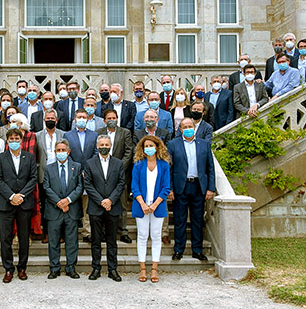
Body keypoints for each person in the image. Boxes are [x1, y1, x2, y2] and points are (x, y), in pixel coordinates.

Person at [168, 118, 215, 262]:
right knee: (180, 219)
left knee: (197, 220)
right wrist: (170, 189)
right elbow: (169, 168)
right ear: (180, 129)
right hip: (180, 186)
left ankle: (197, 250)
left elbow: (210, 168)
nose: (188, 128)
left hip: (198, 186)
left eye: (190, 126)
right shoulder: (173, 144)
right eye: (184, 127)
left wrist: (210, 188)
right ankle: (178, 250)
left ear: (194, 127)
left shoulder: (204, 144)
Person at [0, 128, 38, 283]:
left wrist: (21, 196)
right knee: (5, 237)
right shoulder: (0, 158)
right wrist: (12, 196)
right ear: (7, 141)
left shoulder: (29, 157)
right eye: (11, 139)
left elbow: (33, 178)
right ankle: (8, 269)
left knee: (24, 237)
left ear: (21, 140)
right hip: (6, 202)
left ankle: (22, 267)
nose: (14, 141)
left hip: (24, 203)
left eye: (16, 139)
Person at [84, 135, 126, 282]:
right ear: (97, 146)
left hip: (113, 207)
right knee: (95, 240)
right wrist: (101, 201)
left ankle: (112, 269)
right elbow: (88, 184)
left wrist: (110, 200)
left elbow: (121, 183)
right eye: (101, 144)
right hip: (96, 207)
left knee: (112, 241)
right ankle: (96, 268)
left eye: (106, 144)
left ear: (111, 146)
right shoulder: (89, 163)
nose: (104, 147)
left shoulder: (118, 163)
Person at [131, 135, 171, 283]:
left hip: (157, 206)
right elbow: (134, 186)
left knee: (155, 236)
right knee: (141, 236)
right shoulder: (138, 164)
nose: (148, 148)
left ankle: (154, 269)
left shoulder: (164, 165)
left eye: (151, 145)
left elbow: (166, 187)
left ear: (157, 146)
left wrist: (154, 205)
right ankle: (142, 268)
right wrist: (143, 204)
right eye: (146, 146)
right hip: (141, 205)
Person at [43, 139, 83, 279]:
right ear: (55, 152)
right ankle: (54, 268)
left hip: (71, 210)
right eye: (58, 150)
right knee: (53, 242)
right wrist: (59, 202)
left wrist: (68, 200)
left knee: (71, 241)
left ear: (68, 151)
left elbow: (79, 187)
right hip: (54, 210)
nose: (61, 153)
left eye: (63, 150)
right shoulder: (49, 168)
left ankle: (71, 268)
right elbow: (46, 187)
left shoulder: (77, 167)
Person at [97, 109, 133, 244]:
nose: (112, 120)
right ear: (105, 120)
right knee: (105, 202)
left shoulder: (125, 132)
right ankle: (105, 232)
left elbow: (129, 151)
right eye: (109, 118)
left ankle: (123, 231)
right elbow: (96, 150)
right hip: (103, 174)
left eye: (114, 117)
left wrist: (118, 167)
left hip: (120, 174)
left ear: (117, 119)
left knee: (122, 204)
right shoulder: (99, 133)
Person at [64, 109, 98, 243]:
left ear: (88, 119)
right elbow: (67, 153)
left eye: (84, 117)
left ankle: (87, 232)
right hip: (73, 173)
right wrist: (77, 169)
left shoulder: (94, 135)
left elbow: (96, 153)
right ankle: (70, 232)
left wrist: (87, 170)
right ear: (74, 119)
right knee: (73, 203)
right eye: (79, 117)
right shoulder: (68, 135)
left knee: (87, 204)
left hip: (89, 174)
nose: (82, 119)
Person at [8, 113, 42, 239]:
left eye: (14, 121)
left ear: (21, 123)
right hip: (12, 178)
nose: (11, 124)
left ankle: (28, 234)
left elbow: (31, 156)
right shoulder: (10, 138)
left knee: (28, 207)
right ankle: (15, 234)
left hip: (27, 177)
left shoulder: (31, 136)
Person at [35, 109, 65, 243]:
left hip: (60, 174)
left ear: (57, 120)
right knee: (46, 205)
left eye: (52, 118)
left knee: (60, 203)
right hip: (43, 174)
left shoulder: (63, 135)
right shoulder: (37, 136)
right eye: (48, 119)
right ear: (44, 120)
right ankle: (46, 232)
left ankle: (61, 234)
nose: (50, 120)